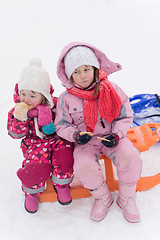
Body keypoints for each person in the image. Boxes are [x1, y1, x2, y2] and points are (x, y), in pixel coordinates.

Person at [54, 42, 142, 223]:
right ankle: (102, 197)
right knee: (83, 166)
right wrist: (75, 136)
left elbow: (125, 115)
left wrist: (117, 135)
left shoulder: (112, 89)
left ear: (95, 68)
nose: (82, 76)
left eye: (86, 69)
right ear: (70, 75)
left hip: (112, 136)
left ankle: (127, 196)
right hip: (86, 142)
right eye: (76, 72)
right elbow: (61, 124)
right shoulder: (66, 99)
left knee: (131, 156)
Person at [7, 58, 74, 213]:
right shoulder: (17, 112)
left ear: (43, 96)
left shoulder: (54, 106)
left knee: (65, 157)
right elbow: (15, 134)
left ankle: (61, 184)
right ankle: (32, 193)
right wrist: (19, 118)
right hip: (34, 144)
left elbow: (66, 118)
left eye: (32, 95)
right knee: (36, 167)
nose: (26, 99)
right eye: (23, 94)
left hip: (57, 140)